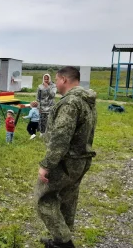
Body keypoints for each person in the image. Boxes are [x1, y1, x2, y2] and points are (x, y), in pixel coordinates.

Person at [35, 66, 97, 248]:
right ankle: (60, 239)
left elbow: (61, 138)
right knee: (68, 199)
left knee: (43, 198)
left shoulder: (70, 103)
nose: (55, 83)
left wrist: (47, 164)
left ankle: (64, 242)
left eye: (56, 79)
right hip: (81, 160)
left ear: (64, 79)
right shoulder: (87, 100)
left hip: (65, 162)